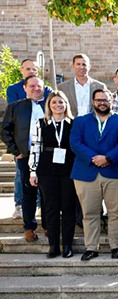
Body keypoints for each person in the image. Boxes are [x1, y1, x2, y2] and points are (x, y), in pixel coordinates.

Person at [70, 88, 118, 260]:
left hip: (115, 172)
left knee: (116, 212)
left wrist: (108, 158)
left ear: (112, 101)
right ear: (93, 101)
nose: (102, 103)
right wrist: (93, 158)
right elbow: (75, 142)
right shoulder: (80, 121)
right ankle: (91, 247)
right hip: (86, 172)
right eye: (98, 100)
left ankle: (115, 246)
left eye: (106, 100)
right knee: (89, 213)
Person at [27, 90, 76, 258]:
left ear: (66, 105)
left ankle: (68, 245)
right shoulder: (41, 124)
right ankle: (54, 245)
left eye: (61, 102)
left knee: (69, 207)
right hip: (47, 170)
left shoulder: (74, 123)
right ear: (49, 105)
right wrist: (33, 171)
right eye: (54, 102)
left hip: (68, 169)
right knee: (51, 208)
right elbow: (35, 148)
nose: (58, 105)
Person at [1, 75, 46, 242]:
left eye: (39, 86)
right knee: (29, 193)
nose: (36, 89)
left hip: (47, 157)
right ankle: (29, 227)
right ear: (25, 88)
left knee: (47, 192)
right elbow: (5, 131)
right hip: (25, 157)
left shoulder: (50, 105)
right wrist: (15, 151)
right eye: (32, 86)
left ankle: (48, 226)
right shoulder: (15, 107)